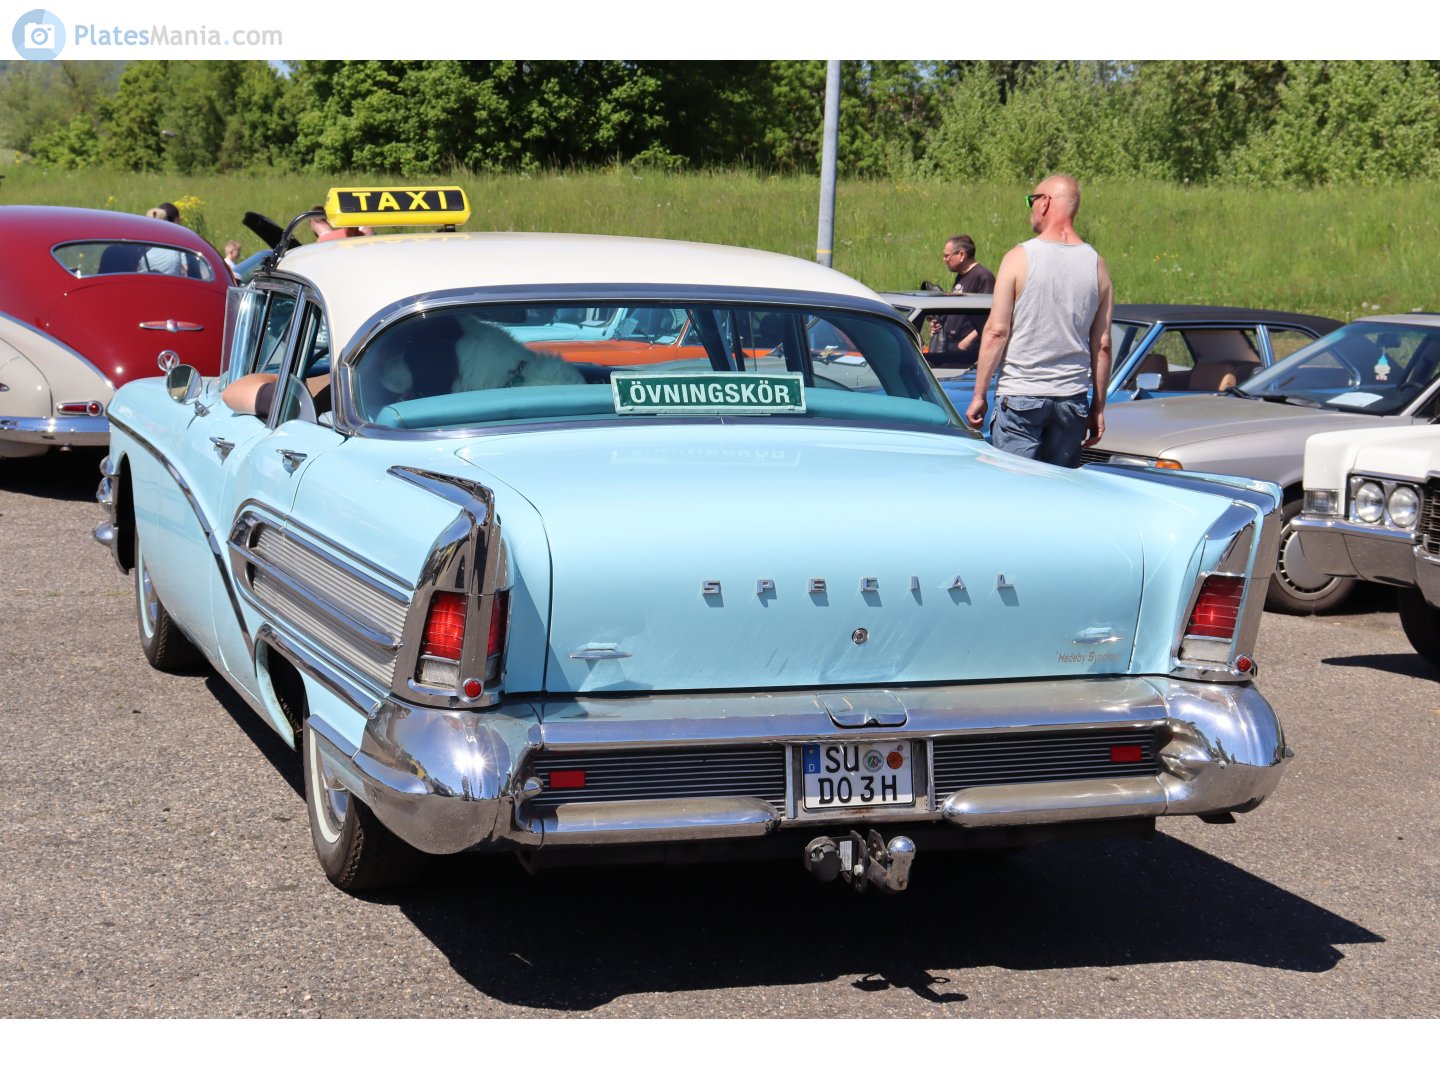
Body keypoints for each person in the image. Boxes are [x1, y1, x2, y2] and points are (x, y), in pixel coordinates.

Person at [965, 174, 1113, 468]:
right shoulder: (1096, 264)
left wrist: (979, 394)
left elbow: (996, 331)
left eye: (1031, 200)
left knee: (1013, 492)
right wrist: (1098, 406)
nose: (1031, 208)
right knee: (1060, 494)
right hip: (1071, 399)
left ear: (1045, 203)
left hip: (1021, 395)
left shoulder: (1020, 257)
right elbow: (1103, 345)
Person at [927, 235, 994, 363]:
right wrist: (940, 324)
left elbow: (990, 316)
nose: (944, 259)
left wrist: (966, 342)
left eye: (947, 256)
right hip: (953, 345)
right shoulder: (961, 277)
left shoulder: (983, 276)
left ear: (961, 255)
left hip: (969, 350)